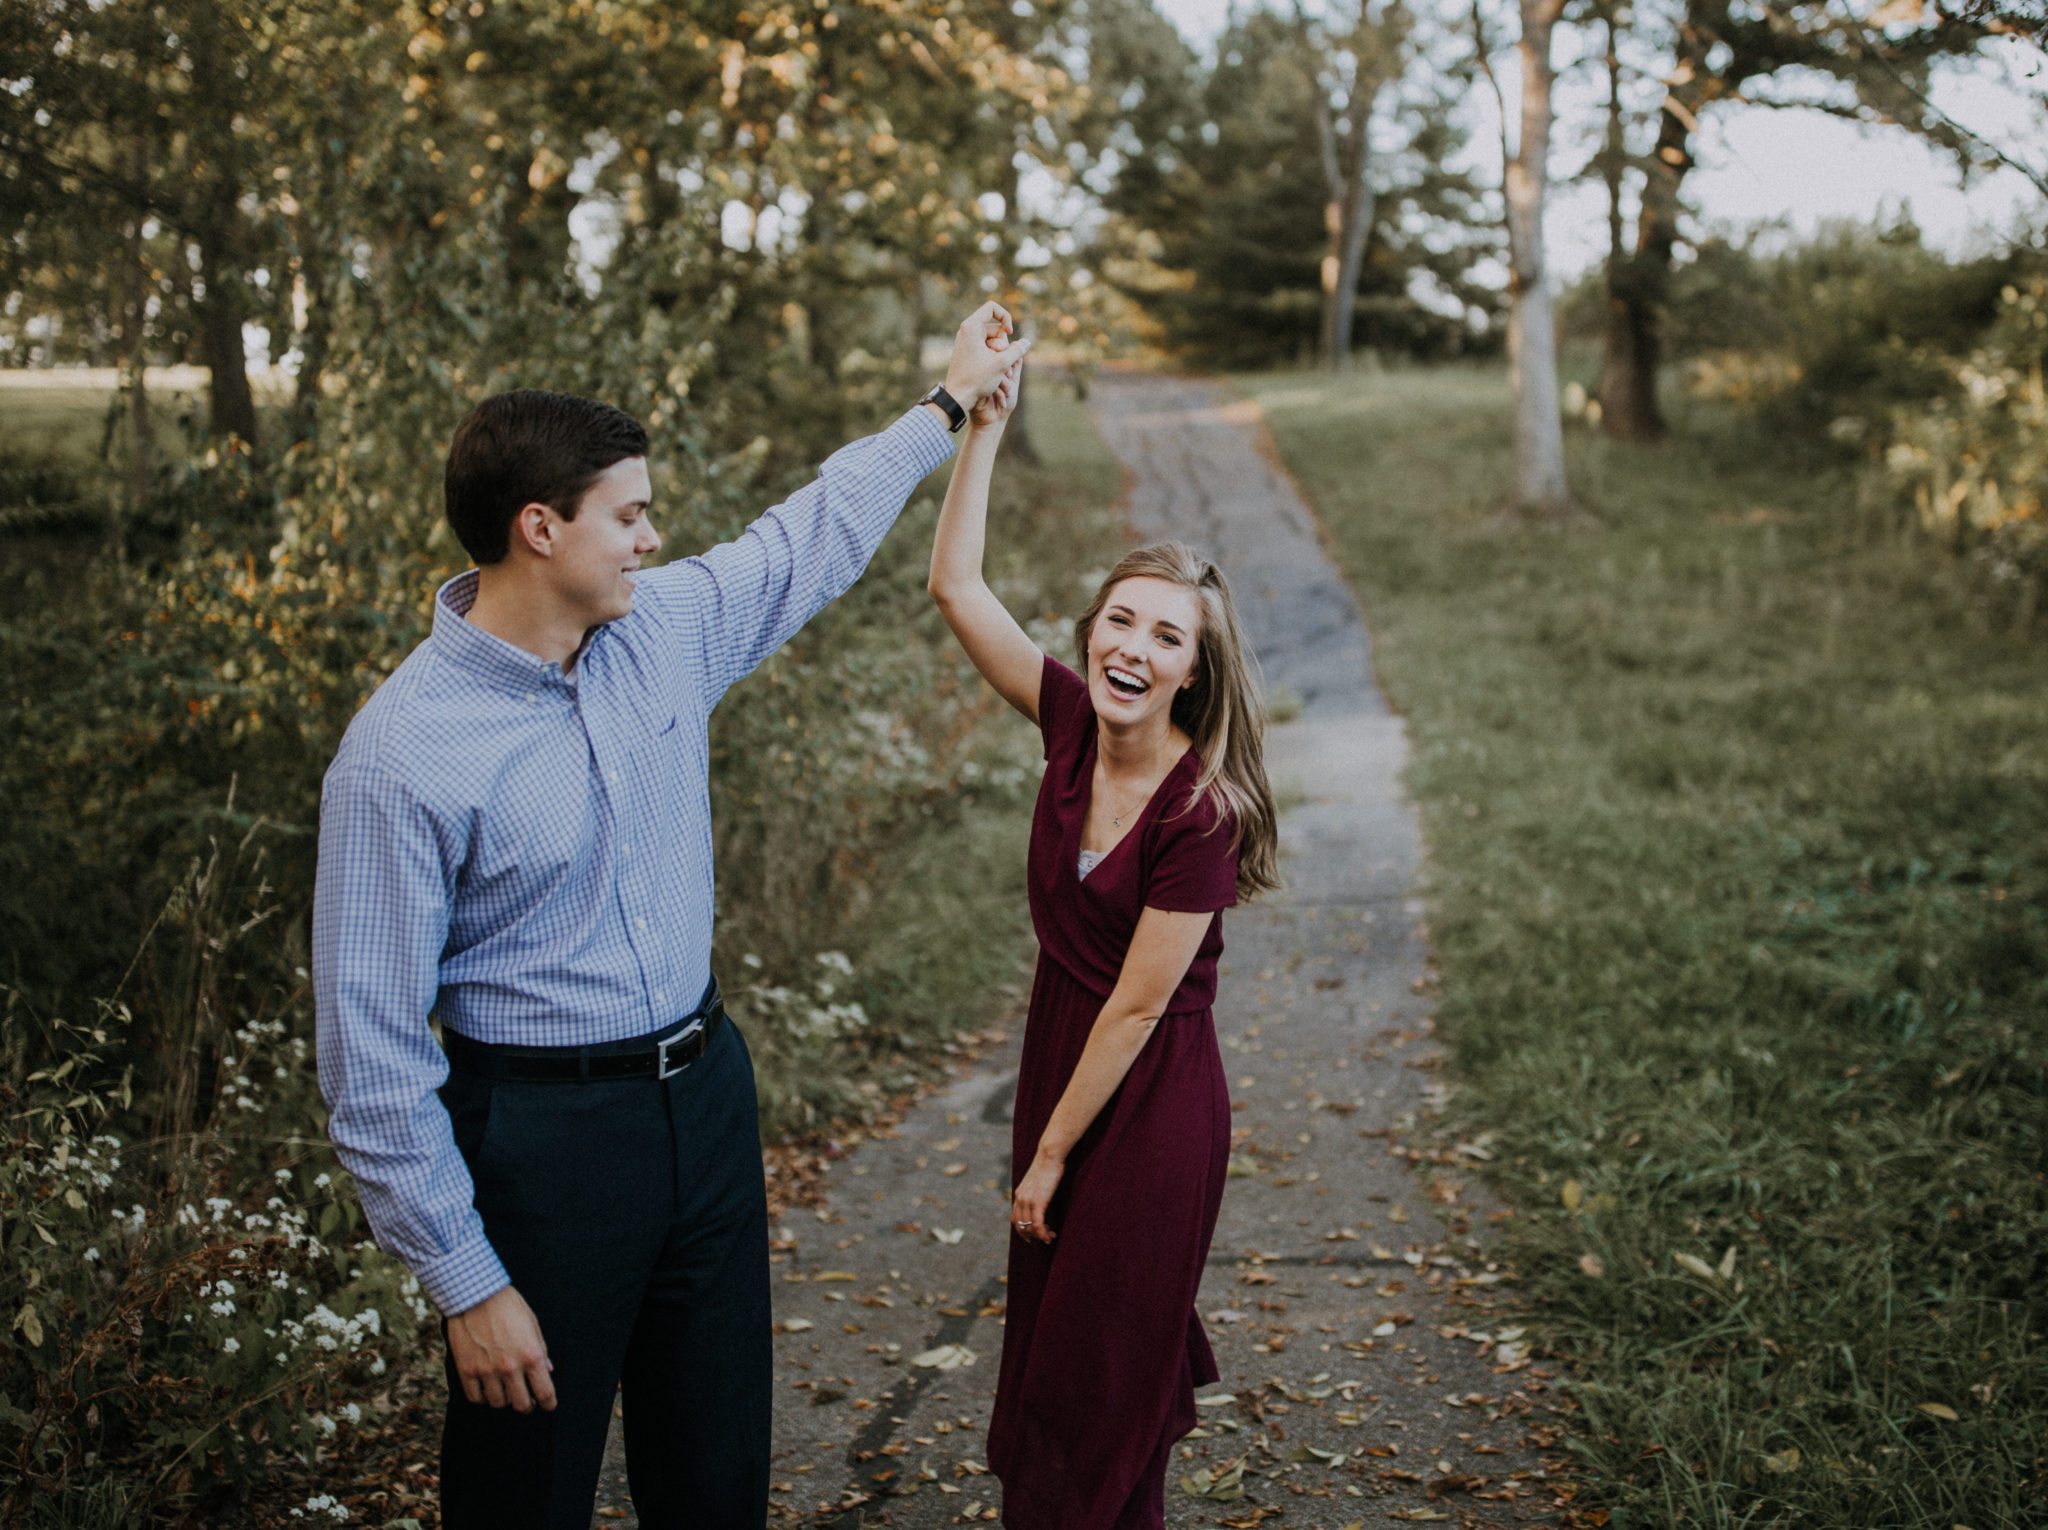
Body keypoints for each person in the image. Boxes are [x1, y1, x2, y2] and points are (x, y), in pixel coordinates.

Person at [311, 302, 1026, 1530]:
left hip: (704, 1102)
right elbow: (370, 1060)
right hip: (540, 1145)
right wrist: (465, 1281)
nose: (652, 538)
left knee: (714, 1471)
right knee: (523, 1493)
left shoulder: (664, 631)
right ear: (540, 528)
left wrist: (947, 403)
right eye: (628, 515)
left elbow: (811, 533)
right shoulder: (399, 758)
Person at [925, 362, 1282, 1528]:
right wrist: (982, 428)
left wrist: (1046, 1157)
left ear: (1194, 670)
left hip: (1150, 1103)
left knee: (1098, 1375)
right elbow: (955, 585)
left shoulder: (1199, 815)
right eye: (1119, 620)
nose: (1133, 646)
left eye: (1165, 635)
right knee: (1060, 1359)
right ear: (1091, 637)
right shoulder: (1069, 722)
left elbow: (1135, 1008)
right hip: (1061, 1064)